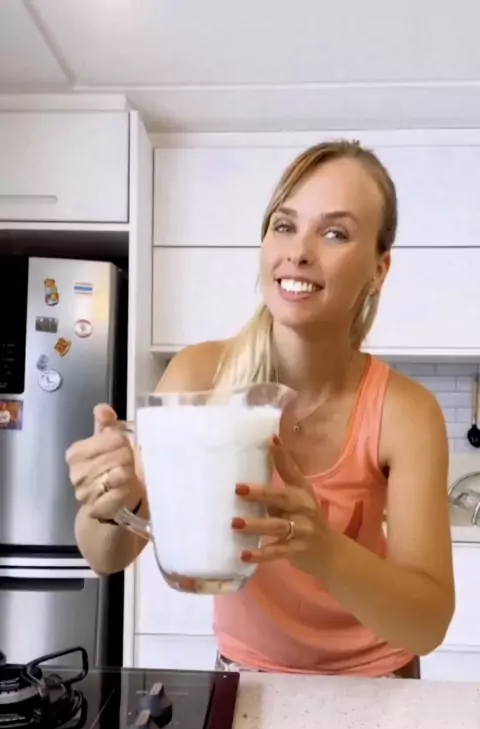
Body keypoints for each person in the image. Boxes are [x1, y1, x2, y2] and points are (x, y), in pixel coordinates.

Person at [66, 140, 454, 678]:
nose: (299, 252)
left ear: (378, 269)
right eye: (284, 225)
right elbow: (105, 556)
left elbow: (427, 625)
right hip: (247, 678)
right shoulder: (199, 378)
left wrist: (322, 549)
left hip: (378, 683)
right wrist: (112, 498)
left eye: (335, 233)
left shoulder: (407, 412)